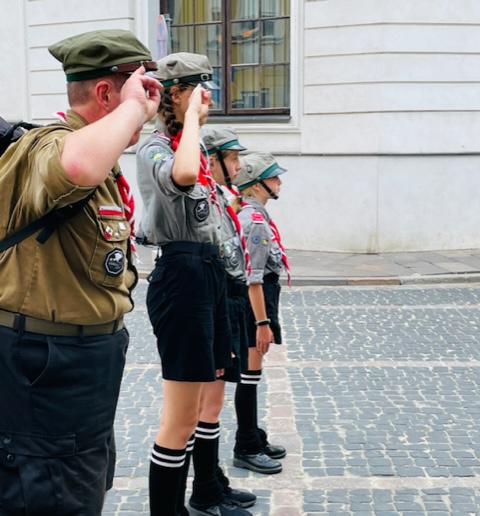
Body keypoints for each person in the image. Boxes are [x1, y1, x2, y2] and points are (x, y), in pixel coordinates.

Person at [0, 29, 161, 515]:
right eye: (141, 88)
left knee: (84, 484)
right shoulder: (48, 145)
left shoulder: (102, 157)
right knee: (51, 495)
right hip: (45, 364)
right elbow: (74, 168)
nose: (149, 104)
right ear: (106, 93)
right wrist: (133, 110)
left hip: (85, 363)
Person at [136, 53, 250, 516]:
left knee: (208, 396)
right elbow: (182, 178)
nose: (208, 99)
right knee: (179, 418)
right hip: (182, 277)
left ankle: (206, 489)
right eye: (201, 90)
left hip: (209, 273)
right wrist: (191, 124)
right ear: (176, 94)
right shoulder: (157, 148)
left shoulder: (191, 145)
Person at [186, 125, 258, 512]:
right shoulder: (203, 197)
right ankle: (205, 491)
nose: (239, 165)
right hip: (214, 298)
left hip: (228, 297)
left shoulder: (220, 197)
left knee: (212, 404)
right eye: (232, 158)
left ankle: (213, 481)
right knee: (206, 406)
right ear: (210, 161)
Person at [232, 152, 290, 475]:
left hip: (259, 299)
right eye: (273, 177)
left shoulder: (255, 214)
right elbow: (252, 278)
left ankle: (253, 434)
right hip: (255, 302)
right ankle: (246, 446)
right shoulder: (254, 221)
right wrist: (262, 323)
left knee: (251, 375)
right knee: (249, 376)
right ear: (256, 185)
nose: (279, 181)